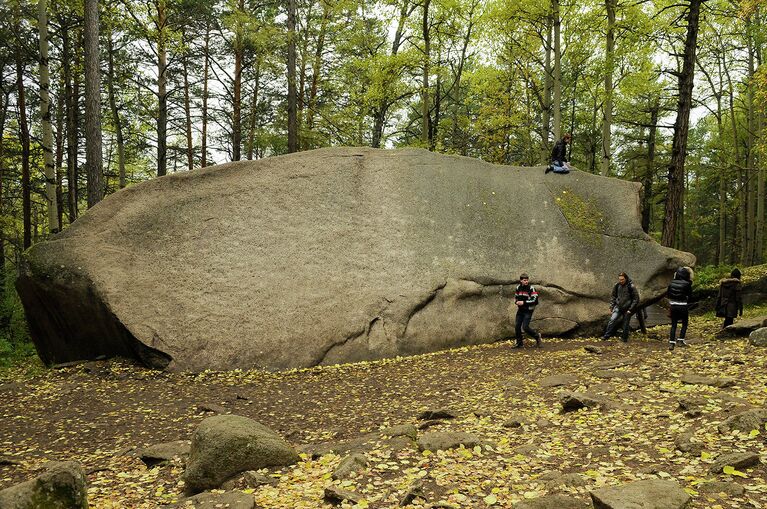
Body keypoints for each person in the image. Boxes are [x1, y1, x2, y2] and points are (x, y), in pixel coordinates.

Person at [601, 272, 639, 342]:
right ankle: (606, 336)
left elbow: (636, 299)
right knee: (612, 320)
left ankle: (624, 338)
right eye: (620, 279)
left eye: (622, 279)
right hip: (618, 306)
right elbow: (613, 296)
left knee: (625, 324)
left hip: (627, 308)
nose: (621, 281)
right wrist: (611, 306)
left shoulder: (631, 286)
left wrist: (630, 309)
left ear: (626, 278)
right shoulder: (617, 285)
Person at [667, 267, 693, 351]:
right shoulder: (687, 284)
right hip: (683, 306)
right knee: (684, 323)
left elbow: (668, 294)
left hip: (673, 306)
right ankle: (681, 341)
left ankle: (671, 343)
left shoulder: (671, 283)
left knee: (673, 324)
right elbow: (690, 296)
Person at [513, 273, 542, 348]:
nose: (526, 282)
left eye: (527, 280)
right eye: (524, 280)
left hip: (528, 310)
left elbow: (535, 300)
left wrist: (524, 302)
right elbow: (516, 297)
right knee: (517, 326)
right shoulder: (518, 288)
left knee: (525, 327)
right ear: (521, 280)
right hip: (520, 310)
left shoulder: (531, 288)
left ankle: (537, 336)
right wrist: (516, 302)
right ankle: (519, 343)